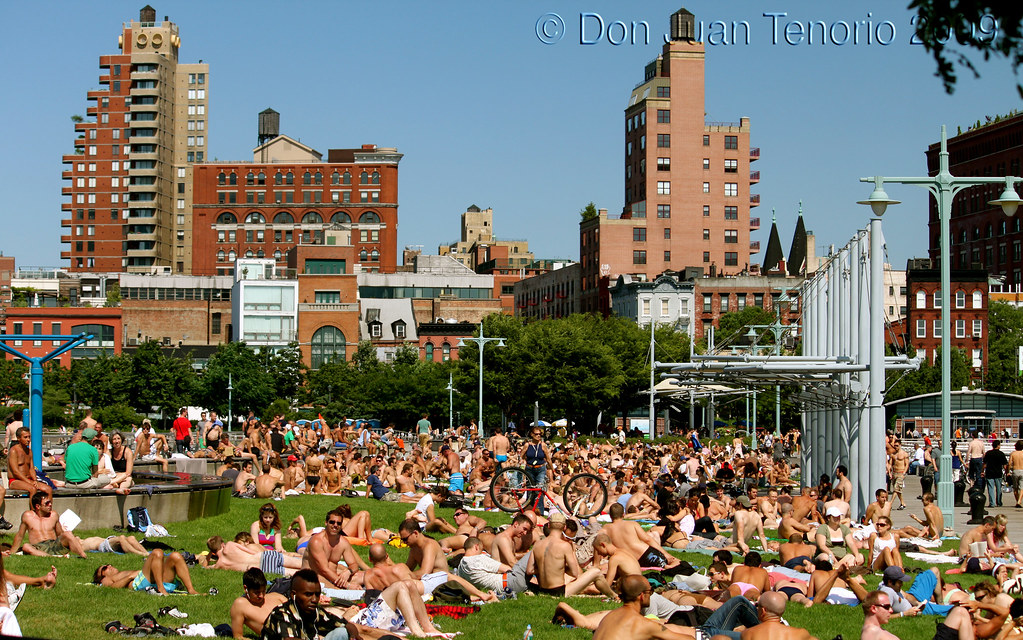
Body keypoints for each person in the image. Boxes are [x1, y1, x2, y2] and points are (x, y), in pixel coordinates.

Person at [528, 511, 616, 598]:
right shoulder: (565, 546)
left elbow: (529, 571)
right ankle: (614, 596)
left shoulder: (537, 544)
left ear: (549, 525)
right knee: (596, 572)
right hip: (559, 591)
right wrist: (559, 569)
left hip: (542, 589)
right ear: (564, 527)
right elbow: (574, 573)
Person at [259, 569, 350, 640]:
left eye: (317, 594)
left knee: (342, 632)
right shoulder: (281, 614)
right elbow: (289, 639)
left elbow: (345, 624)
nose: (314, 600)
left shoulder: (315, 612)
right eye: (308, 594)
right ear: (293, 594)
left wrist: (354, 635)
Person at [11, 491, 86, 558]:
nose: (50, 505)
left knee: (68, 533)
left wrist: (68, 541)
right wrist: (11, 552)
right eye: (47, 503)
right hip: (37, 547)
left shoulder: (54, 515)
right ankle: (52, 557)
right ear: (38, 506)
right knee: (26, 546)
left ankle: (83, 556)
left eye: (50, 502)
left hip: (53, 544)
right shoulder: (27, 516)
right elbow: (20, 536)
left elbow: (60, 534)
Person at [93, 549, 200, 595]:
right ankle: (161, 588)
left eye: (108, 565)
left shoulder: (119, 574)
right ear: (101, 576)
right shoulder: (106, 580)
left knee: (176, 556)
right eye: (104, 568)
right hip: (139, 582)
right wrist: (130, 577)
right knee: (157, 553)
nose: (109, 566)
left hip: (152, 580)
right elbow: (112, 588)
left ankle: (191, 590)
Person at [230, 568, 287, 639]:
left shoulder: (277, 597)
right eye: (256, 592)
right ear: (245, 588)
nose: (261, 596)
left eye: (263, 591)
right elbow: (238, 636)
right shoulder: (240, 605)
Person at [7, 426, 52, 500]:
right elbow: (15, 472)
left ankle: (46, 510)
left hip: (29, 480)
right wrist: (29, 482)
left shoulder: (29, 451)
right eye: (25, 437)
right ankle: (32, 510)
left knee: (48, 489)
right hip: (15, 481)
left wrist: (35, 480)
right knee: (32, 489)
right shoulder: (14, 451)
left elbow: (31, 468)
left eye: (29, 437)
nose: (28, 439)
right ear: (19, 438)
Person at [984, 440, 1009, 507]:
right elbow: (1004, 465)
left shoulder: (988, 453)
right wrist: (1007, 472)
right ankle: (999, 502)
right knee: (998, 488)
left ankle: (992, 503)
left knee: (990, 488)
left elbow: (984, 463)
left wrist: (982, 471)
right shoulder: (1001, 454)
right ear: (998, 446)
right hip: (998, 473)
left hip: (989, 472)